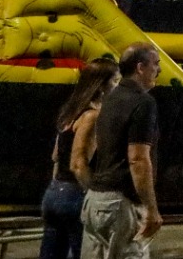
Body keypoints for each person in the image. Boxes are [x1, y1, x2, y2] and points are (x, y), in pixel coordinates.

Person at [82, 43, 162, 259]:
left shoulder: (110, 99)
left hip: (95, 200)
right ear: (140, 68)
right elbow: (138, 159)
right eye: (155, 64)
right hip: (120, 203)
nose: (158, 70)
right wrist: (151, 209)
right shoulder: (143, 102)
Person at [42, 58, 120, 259]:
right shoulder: (93, 116)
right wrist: (93, 194)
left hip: (54, 193)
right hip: (75, 195)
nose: (118, 87)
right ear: (101, 86)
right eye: (115, 82)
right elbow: (78, 164)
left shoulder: (71, 111)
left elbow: (55, 156)